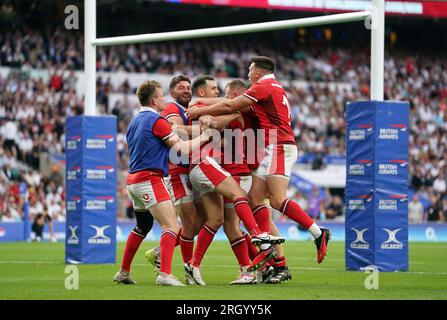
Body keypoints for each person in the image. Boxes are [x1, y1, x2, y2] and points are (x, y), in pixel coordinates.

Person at [187, 56, 331, 264]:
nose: (247, 76)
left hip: (279, 147)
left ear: (257, 73)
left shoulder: (264, 86)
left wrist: (200, 110)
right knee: (254, 200)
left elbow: (231, 106)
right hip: (272, 149)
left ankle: (318, 233)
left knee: (277, 200)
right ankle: (270, 255)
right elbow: (231, 104)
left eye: (249, 72)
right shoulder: (271, 90)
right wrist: (200, 104)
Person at [185, 75, 285, 286]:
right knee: (237, 220)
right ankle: (264, 250)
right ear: (202, 92)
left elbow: (218, 119)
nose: (220, 95)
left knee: (221, 222)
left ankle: (200, 265)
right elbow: (197, 105)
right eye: (215, 89)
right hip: (213, 167)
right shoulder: (206, 105)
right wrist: (205, 119)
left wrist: (207, 119)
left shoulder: (237, 110)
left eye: (225, 94)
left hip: (237, 173)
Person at [113, 80, 212, 287]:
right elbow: (182, 149)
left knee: (142, 226)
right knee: (172, 225)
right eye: (162, 96)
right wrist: (204, 137)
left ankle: (123, 272)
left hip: (133, 180)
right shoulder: (157, 121)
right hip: (150, 178)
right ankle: (165, 274)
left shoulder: (134, 122)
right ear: (155, 99)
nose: (164, 100)